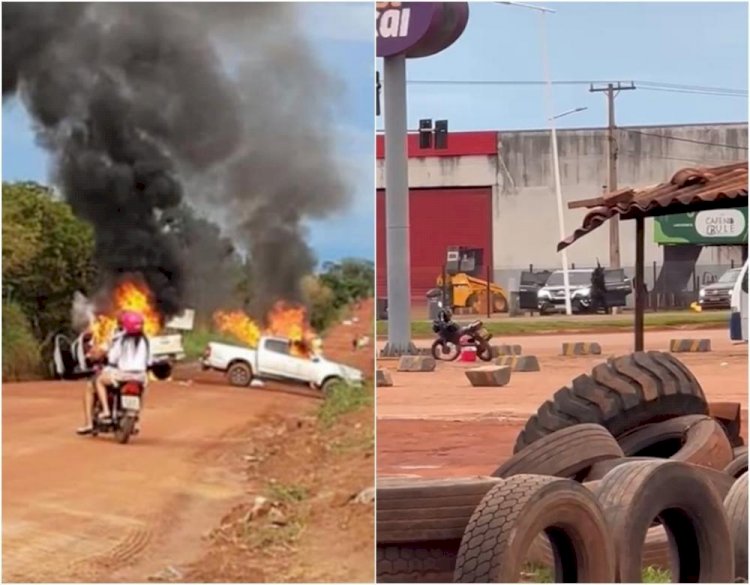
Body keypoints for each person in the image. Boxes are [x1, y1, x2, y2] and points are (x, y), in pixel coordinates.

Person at [76, 311, 151, 435]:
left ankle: (104, 412)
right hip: (140, 376)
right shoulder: (146, 340)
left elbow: (112, 358)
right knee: (143, 388)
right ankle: (137, 419)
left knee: (98, 382)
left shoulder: (120, 339)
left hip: (121, 374)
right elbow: (149, 360)